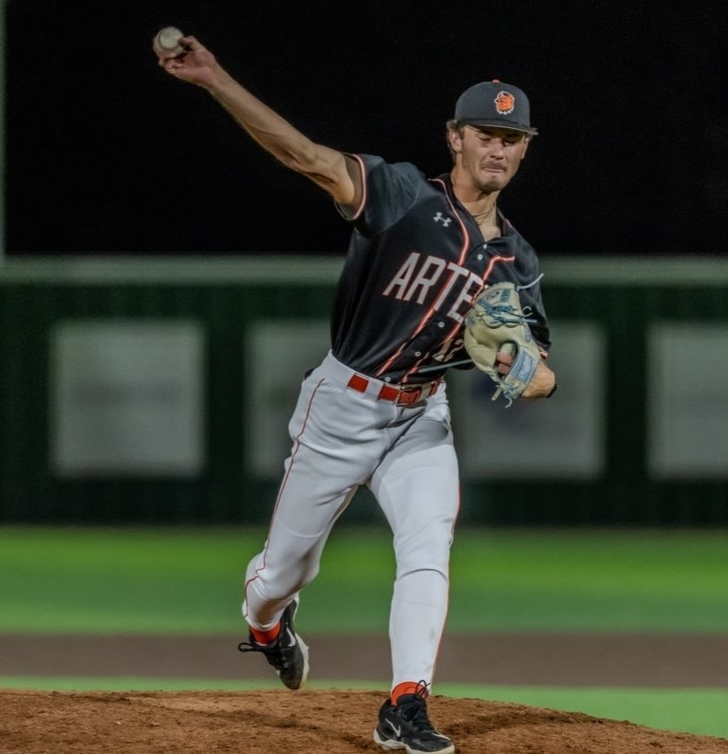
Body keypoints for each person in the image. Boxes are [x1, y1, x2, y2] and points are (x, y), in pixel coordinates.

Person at [156, 33, 556, 754]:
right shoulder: (403, 196)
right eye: (485, 134)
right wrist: (216, 77)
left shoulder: (514, 258)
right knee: (283, 573)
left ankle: (406, 704)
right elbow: (305, 156)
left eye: (512, 137)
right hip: (344, 403)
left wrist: (517, 367)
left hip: (422, 416)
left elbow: (540, 368)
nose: (498, 148)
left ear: (525, 148)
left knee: (428, 544)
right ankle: (267, 622)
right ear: (455, 138)